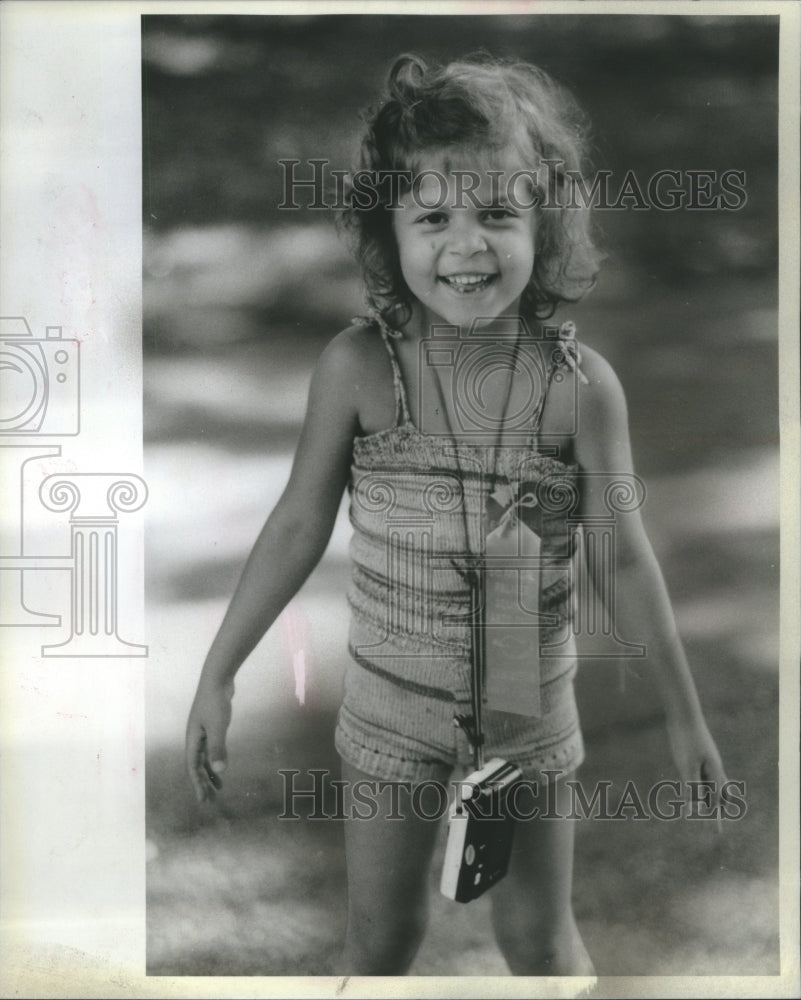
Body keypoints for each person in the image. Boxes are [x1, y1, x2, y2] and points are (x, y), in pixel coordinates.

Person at [185, 53, 728, 976]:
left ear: (545, 222)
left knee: (538, 940)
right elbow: (294, 524)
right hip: (390, 716)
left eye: (498, 215)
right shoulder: (358, 370)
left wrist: (686, 716)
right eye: (432, 217)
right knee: (383, 939)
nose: (466, 246)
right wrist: (219, 670)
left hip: (526, 725)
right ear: (384, 230)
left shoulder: (581, 391)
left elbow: (620, 559)